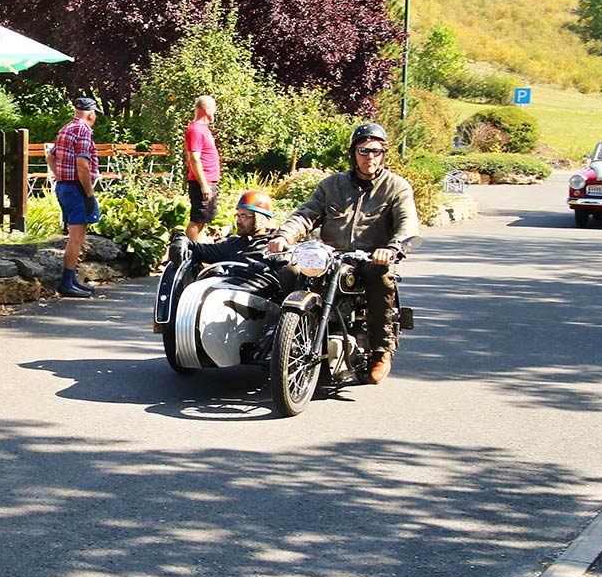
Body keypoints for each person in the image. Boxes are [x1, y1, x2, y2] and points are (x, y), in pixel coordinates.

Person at [266, 122, 419, 385]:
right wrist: (284, 235)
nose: (369, 157)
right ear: (353, 153)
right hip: (328, 256)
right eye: (363, 150)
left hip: (369, 258)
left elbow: (407, 223)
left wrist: (392, 248)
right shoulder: (332, 185)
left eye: (376, 151)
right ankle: (284, 338)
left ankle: (380, 351)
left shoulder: (396, 187)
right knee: (287, 271)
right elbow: (306, 214)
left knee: (380, 277)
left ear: (383, 154)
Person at [51, 96, 104, 298]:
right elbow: (82, 165)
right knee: (77, 237)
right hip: (76, 189)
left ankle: (72, 280)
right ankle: (67, 283)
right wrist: (89, 194)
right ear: (91, 114)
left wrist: (60, 174)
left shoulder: (65, 128)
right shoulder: (83, 130)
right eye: (95, 115)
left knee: (75, 236)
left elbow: (50, 156)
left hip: (64, 186)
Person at [169, 189, 276, 266]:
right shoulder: (233, 244)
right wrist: (183, 241)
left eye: (244, 216)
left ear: (260, 219)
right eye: (238, 215)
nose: (238, 221)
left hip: (260, 294)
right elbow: (201, 250)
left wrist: (268, 269)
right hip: (227, 293)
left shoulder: (276, 245)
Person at [183, 95, 222, 241]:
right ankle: (188, 254)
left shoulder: (203, 129)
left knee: (203, 220)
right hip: (202, 182)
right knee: (197, 220)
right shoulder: (196, 130)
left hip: (209, 180)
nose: (215, 111)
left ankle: (198, 255)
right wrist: (204, 185)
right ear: (206, 110)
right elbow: (194, 159)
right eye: (214, 108)